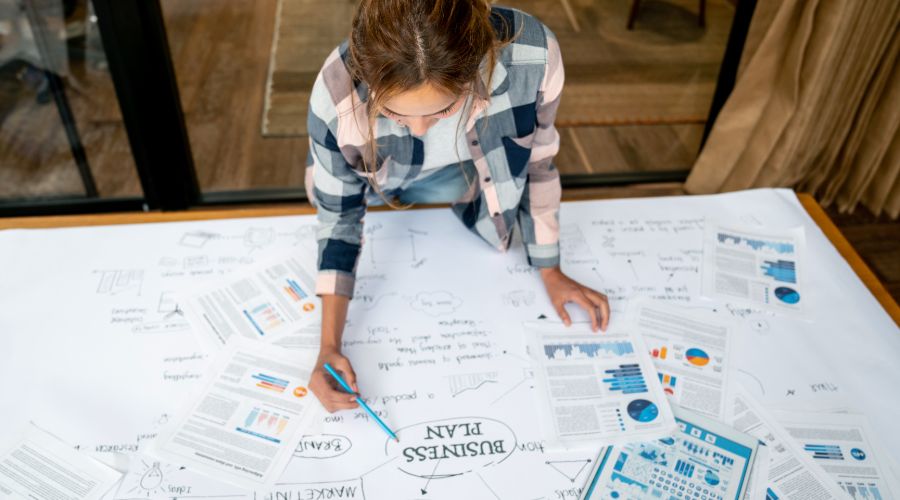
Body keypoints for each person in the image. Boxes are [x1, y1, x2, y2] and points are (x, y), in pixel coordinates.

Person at [304, 0, 610, 413]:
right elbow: (339, 216)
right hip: (374, 186)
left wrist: (549, 267)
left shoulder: (534, 56)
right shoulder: (335, 95)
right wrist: (328, 346)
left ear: (477, 65)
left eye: (443, 109)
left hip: (468, 179)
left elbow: (537, 160)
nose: (418, 128)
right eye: (392, 111)